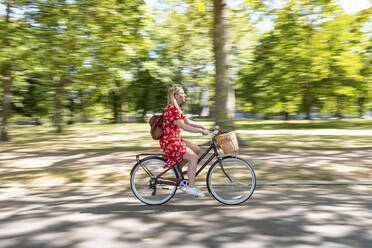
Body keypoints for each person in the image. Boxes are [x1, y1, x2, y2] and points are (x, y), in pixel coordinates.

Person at [160, 85, 210, 197]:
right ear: (176, 96)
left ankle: (177, 169)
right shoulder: (172, 109)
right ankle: (191, 187)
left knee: (196, 149)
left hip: (174, 139)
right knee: (193, 158)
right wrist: (200, 132)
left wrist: (203, 127)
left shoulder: (176, 108)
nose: (185, 95)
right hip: (170, 142)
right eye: (182, 93)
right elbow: (184, 127)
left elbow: (188, 122)